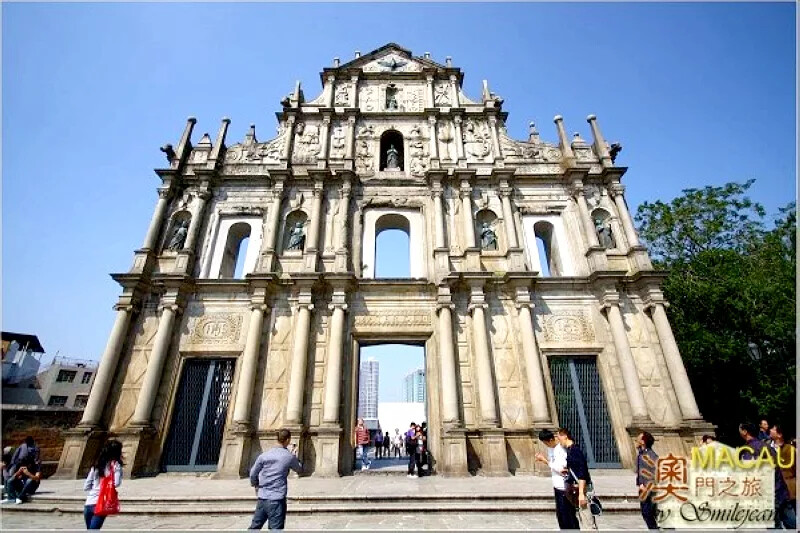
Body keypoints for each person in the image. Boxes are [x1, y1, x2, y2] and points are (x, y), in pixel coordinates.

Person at [249, 428, 302, 530]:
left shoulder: (264, 455)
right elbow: (299, 469)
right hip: (277, 499)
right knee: (276, 529)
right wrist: (294, 455)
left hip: (262, 498)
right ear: (288, 440)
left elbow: (253, 474)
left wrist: (256, 485)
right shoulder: (288, 456)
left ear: (277, 439)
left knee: (254, 527)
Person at [535, 429, 575, 529]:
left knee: (567, 516)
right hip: (557, 485)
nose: (546, 445)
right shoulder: (551, 449)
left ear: (551, 439)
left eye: (546, 442)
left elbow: (561, 469)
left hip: (564, 486)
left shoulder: (560, 449)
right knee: (561, 515)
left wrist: (545, 461)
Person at [557, 428, 594, 530]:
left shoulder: (575, 450)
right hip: (575, 490)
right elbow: (576, 470)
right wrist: (567, 471)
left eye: (559, 437)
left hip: (580, 489)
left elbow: (582, 473)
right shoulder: (570, 450)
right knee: (583, 519)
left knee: (588, 523)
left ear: (565, 436)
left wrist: (582, 493)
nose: (558, 440)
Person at [83, 439, 123, 529]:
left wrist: (95, 489)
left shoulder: (96, 465)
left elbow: (86, 486)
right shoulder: (116, 465)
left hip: (89, 503)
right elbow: (116, 483)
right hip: (102, 504)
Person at [769, 424, 797, 529]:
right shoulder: (767, 447)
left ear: (779, 434)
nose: (770, 430)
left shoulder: (790, 449)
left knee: (791, 522)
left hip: (788, 490)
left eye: (773, 429)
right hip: (772, 489)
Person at [3, 436, 41, 504]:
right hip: (23, 486)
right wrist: (18, 472)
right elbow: (15, 477)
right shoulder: (21, 464)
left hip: (31, 488)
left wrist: (28, 473)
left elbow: (37, 478)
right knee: (10, 480)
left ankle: (20, 497)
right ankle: (11, 498)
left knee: (29, 480)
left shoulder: (36, 465)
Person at [636, 431, 659, 530]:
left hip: (649, 489)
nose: (636, 439)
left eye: (639, 438)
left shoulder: (651, 455)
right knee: (647, 512)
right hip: (643, 487)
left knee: (648, 512)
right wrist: (640, 483)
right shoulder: (641, 453)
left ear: (643, 441)